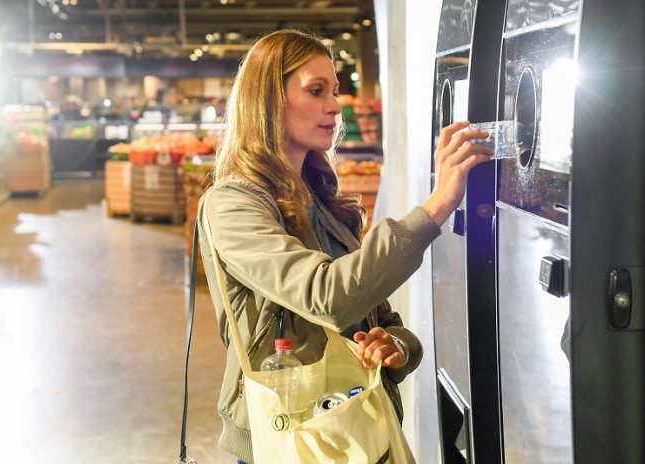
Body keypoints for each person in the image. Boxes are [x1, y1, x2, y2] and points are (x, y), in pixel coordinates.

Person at [197, 29, 493, 464]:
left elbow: (384, 317)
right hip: (289, 438)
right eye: (316, 91)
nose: (335, 105)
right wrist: (437, 204)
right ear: (268, 101)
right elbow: (326, 296)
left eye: (334, 90)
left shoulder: (320, 199)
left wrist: (395, 346)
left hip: (353, 427)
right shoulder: (232, 204)